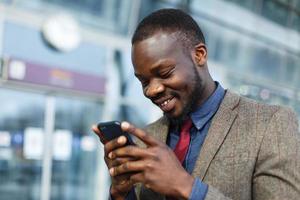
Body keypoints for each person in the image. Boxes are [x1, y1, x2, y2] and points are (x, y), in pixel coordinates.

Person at [92, 8, 300, 200]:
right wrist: (121, 193)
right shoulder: (144, 141)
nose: (151, 90)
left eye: (164, 73)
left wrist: (187, 187)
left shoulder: (270, 124)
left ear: (199, 55)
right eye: (143, 81)